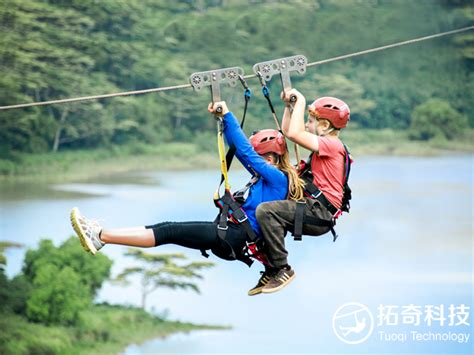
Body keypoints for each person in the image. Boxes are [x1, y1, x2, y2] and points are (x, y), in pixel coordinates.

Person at [70, 101, 305, 296]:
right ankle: (101, 236)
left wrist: (230, 115)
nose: (255, 163)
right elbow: (240, 149)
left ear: (272, 158)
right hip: (228, 233)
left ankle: (101, 237)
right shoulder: (265, 178)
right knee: (166, 229)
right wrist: (223, 120)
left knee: (169, 231)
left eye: (261, 158)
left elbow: (245, 153)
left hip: (232, 236)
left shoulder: (277, 178)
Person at [255, 89, 351, 294]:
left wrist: (301, 101)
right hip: (314, 208)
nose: (307, 125)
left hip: (318, 212)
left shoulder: (332, 145)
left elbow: (294, 133)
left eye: (310, 121)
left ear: (324, 125)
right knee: (267, 207)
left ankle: (282, 268)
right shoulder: (327, 145)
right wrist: (290, 107)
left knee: (266, 211)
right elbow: (288, 130)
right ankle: (271, 266)